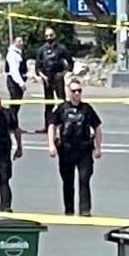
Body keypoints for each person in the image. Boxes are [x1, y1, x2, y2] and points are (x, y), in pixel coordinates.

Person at [47, 78, 103, 216]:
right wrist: (51, 144)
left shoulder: (87, 109)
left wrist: (98, 147)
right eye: (74, 91)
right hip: (66, 149)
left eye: (79, 91)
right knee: (67, 181)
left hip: (84, 149)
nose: (77, 93)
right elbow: (52, 125)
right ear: (68, 91)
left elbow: (97, 127)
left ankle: (85, 209)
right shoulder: (62, 108)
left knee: (84, 179)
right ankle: (69, 209)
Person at [35, 27, 74, 133]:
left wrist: (63, 73)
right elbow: (37, 68)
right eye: (47, 36)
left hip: (58, 77)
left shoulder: (61, 49)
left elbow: (70, 62)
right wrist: (43, 76)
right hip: (47, 79)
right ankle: (47, 126)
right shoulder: (41, 50)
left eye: (51, 35)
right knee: (48, 104)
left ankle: (64, 124)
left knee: (62, 102)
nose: (49, 38)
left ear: (55, 35)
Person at [4, 36, 27, 121]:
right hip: (13, 82)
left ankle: (13, 124)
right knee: (14, 104)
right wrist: (21, 83)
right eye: (19, 41)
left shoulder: (19, 53)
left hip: (18, 80)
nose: (21, 43)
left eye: (22, 41)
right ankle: (12, 124)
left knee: (17, 105)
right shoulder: (12, 54)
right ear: (14, 42)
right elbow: (14, 71)